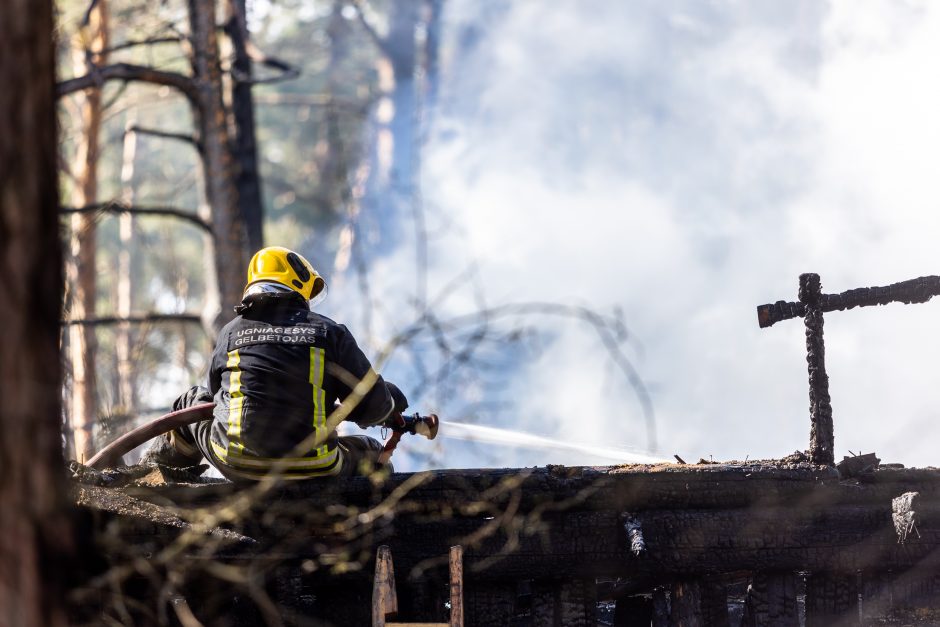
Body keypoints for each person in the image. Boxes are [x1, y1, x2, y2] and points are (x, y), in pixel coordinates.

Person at [143, 246, 407, 480]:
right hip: (315, 465)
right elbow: (372, 408)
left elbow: (215, 400)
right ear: (297, 284)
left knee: (189, 403)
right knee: (372, 453)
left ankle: (154, 478)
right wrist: (388, 399)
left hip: (235, 460)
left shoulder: (230, 333)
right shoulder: (329, 333)